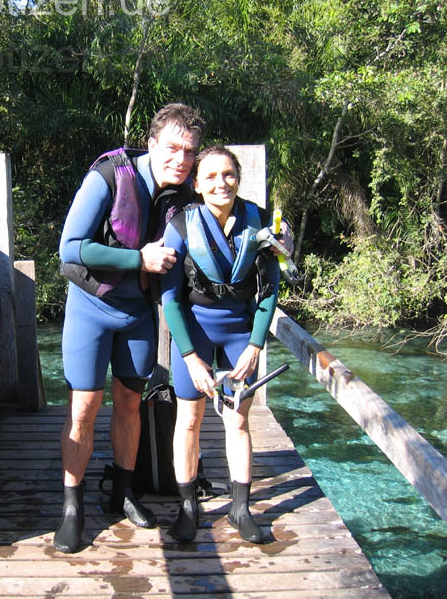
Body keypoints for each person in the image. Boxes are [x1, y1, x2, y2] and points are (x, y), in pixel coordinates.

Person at [55, 103, 206, 553]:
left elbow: (231, 207)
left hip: (138, 313)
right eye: (173, 148)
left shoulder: (185, 193)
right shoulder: (109, 175)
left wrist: (276, 236)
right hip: (91, 307)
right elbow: (69, 248)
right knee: (84, 406)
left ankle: (122, 490)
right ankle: (72, 506)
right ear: (153, 142)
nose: (181, 159)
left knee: (129, 402)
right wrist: (137, 258)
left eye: (190, 152)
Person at [160, 145, 283, 544]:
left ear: (238, 178)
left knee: (239, 419)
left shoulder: (259, 222)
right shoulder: (179, 225)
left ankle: (240, 507)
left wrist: (255, 346)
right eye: (210, 176)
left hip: (239, 334)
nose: (220, 183)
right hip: (194, 331)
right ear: (196, 185)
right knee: (189, 420)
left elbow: (268, 292)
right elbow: (170, 298)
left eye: (228, 174)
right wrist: (191, 358)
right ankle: (188, 508)